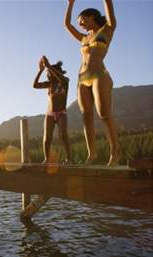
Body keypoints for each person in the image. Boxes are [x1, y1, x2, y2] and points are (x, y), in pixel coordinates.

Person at [64, 0, 119, 166]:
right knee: (86, 117)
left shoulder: (107, 29)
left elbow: (109, 6)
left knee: (104, 114)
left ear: (92, 17)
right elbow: (67, 25)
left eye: (82, 20)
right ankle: (92, 154)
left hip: (99, 76)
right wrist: (70, 3)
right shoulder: (83, 38)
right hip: (82, 78)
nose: (79, 24)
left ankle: (115, 152)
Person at [33, 56, 71, 164]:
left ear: (56, 72)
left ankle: (69, 159)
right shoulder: (49, 84)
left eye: (48, 72)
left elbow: (62, 79)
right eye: (47, 72)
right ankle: (47, 158)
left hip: (61, 113)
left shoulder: (64, 82)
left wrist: (49, 66)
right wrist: (40, 71)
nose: (47, 74)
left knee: (63, 135)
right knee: (47, 138)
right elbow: (35, 85)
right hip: (49, 113)